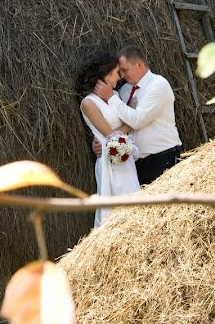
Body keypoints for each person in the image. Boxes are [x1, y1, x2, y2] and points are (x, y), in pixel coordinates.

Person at [93, 46, 182, 186]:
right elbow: (116, 121)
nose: (121, 75)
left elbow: (138, 120)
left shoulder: (158, 84)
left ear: (139, 65)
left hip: (162, 157)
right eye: (119, 71)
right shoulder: (124, 90)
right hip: (135, 163)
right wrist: (100, 141)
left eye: (125, 70)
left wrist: (110, 97)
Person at [76, 51, 141, 227]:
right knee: (115, 212)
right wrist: (131, 120)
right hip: (109, 161)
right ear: (105, 75)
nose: (119, 78)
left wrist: (129, 115)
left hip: (123, 156)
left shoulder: (115, 96)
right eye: (115, 73)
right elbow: (110, 135)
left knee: (132, 203)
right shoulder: (89, 103)